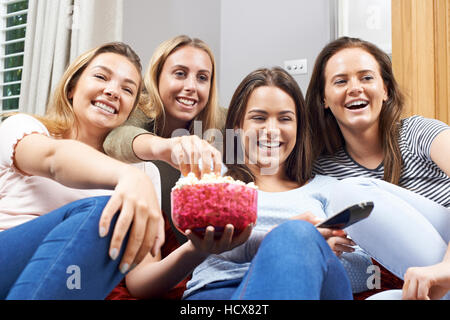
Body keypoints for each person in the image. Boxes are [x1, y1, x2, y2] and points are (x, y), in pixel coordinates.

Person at [0, 42, 165, 299]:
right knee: (105, 209)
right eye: (101, 76)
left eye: (127, 89)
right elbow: (53, 159)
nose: (112, 91)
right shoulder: (24, 127)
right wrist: (128, 176)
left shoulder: (145, 172)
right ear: (72, 87)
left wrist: (198, 250)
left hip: (69, 286)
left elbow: (139, 280)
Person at [306, 36, 450, 300]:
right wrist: (327, 244)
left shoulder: (419, 133)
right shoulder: (322, 169)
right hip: (420, 283)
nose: (355, 88)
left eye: (366, 78)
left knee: (348, 194)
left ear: (385, 90)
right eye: (340, 81)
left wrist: (445, 268)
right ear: (324, 99)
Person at [104, 35, 224, 243]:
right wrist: (168, 146)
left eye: (202, 78)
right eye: (180, 74)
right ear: (157, 76)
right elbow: (116, 138)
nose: (191, 86)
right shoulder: (139, 107)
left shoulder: (216, 119)